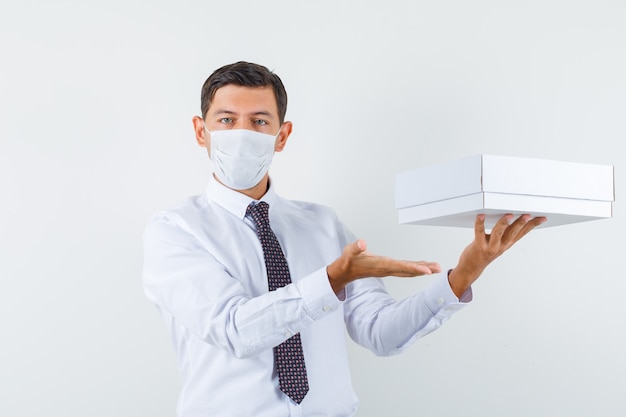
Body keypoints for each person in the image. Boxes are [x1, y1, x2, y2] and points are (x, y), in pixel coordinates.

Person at [142, 61, 546, 417]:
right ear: (201, 131)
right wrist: (331, 280)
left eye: (260, 121)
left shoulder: (321, 224)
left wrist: (465, 273)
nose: (243, 133)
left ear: (282, 136)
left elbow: (381, 332)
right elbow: (235, 329)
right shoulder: (175, 231)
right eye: (227, 120)